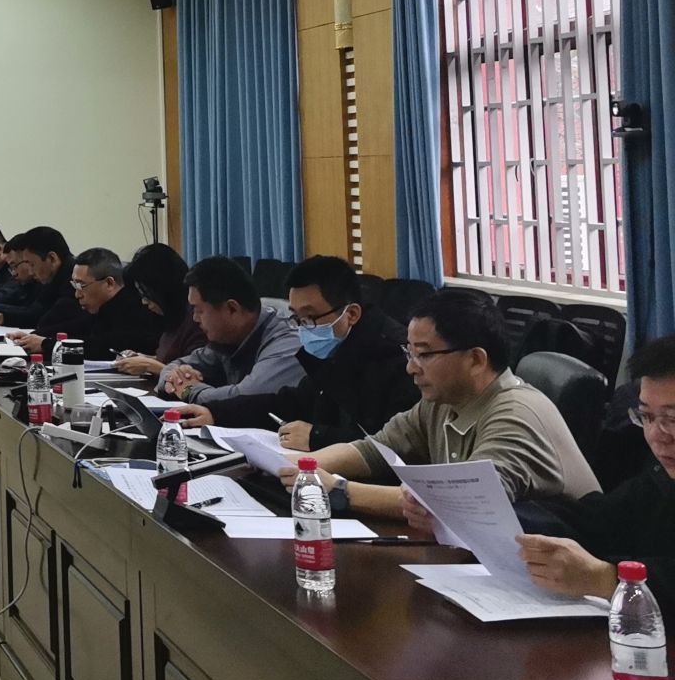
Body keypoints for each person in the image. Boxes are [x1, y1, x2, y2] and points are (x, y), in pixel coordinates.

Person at [281, 288, 599, 518]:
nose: (411, 367)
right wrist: (303, 468)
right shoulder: (442, 400)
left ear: (476, 359)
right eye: (409, 352)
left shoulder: (516, 414)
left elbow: (463, 502)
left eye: (424, 354)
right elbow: (374, 451)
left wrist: (339, 490)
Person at [174, 256, 418, 450]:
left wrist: (317, 437)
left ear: (351, 314)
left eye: (310, 317)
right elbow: (291, 402)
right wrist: (216, 413)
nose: (302, 328)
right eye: (297, 318)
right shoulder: (335, 346)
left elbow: (393, 444)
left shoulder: (396, 358)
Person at [505, 336, 675, 600]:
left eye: (672, 418)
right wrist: (505, 518)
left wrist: (606, 578)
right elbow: (599, 519)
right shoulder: (661, 476)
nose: (656, 435)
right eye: (647, 416)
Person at [157, 256, 305, 405]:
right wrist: (175, 378)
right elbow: (175, 366)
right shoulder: (228, 337)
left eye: (199, 311)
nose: (195, 318)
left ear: (232, 308)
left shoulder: (286, 342)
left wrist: (189, 391)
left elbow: (246, 398)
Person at [19, 247, 162, 358]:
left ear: (109, 283)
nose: (77, 294)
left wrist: (47, 344)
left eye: (81, 285)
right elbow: (78, 326)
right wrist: (34, 336)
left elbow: (104, 346)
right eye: (74, 285)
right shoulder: (103, 307)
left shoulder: (137, 308)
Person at [114, 244, 205, 375]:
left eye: (147, 295)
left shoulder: (196, 319)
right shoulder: (171, 317)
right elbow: (169, 360)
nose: (144, 302)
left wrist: (149, 365)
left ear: (163, 289)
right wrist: (143, 359)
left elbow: (193, 375)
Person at [0, 226, 85, 337]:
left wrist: (35, 338)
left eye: (32, 264)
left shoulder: (74, 281)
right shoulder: (53, 277)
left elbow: (47, 322)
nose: (30, 272)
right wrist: (4, 318)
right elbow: (37, 312)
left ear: (52, 258)